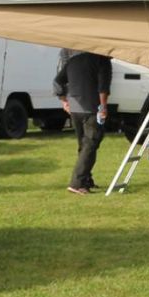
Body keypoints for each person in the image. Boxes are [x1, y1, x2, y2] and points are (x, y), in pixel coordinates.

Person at [54, 48, 112, 195]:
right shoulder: (102, 61)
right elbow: (103, 87)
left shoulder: (74, 60)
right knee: (90, 145)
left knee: (83, 145)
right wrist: (103, 107)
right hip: (92, 108)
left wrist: (64, 101)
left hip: (75, 108)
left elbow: (57, 81)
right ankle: (77, 183)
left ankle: (86, 180)